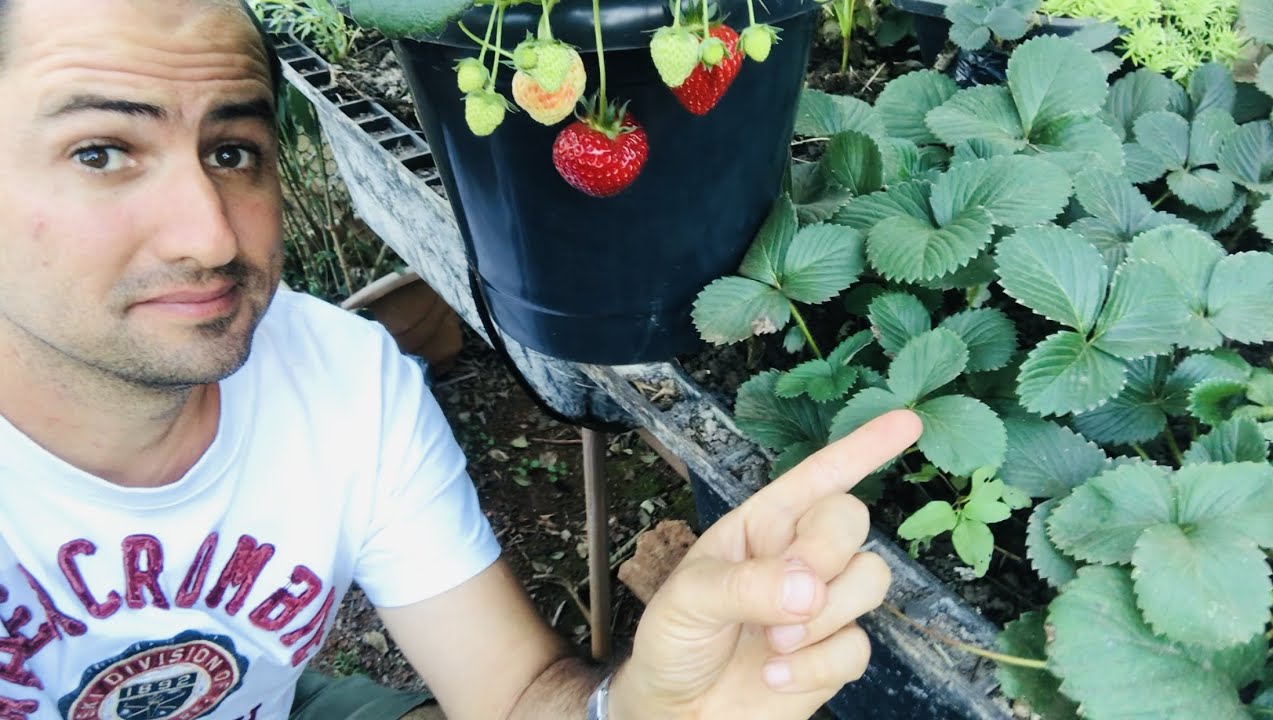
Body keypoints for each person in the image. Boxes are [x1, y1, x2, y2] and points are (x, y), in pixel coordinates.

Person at [0, 0, 924, 718]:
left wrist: (638, 706)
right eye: (99, 152)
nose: (207, 235)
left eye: (234, 150)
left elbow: (518, 699)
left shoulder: (346, 384)